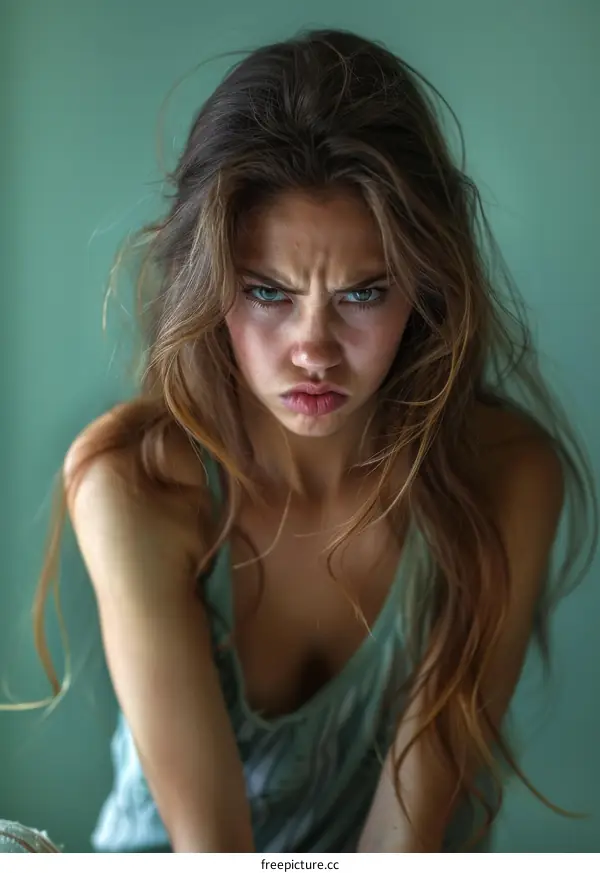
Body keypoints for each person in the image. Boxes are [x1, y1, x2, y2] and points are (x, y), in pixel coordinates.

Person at [31, 28, 597, 852]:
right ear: (208, 282)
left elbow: (404, 845)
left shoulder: (504, 475)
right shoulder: (133, 486)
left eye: (365, 292)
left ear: (427, 288)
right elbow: (211, 853)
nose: (314, 347)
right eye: (267, 291)